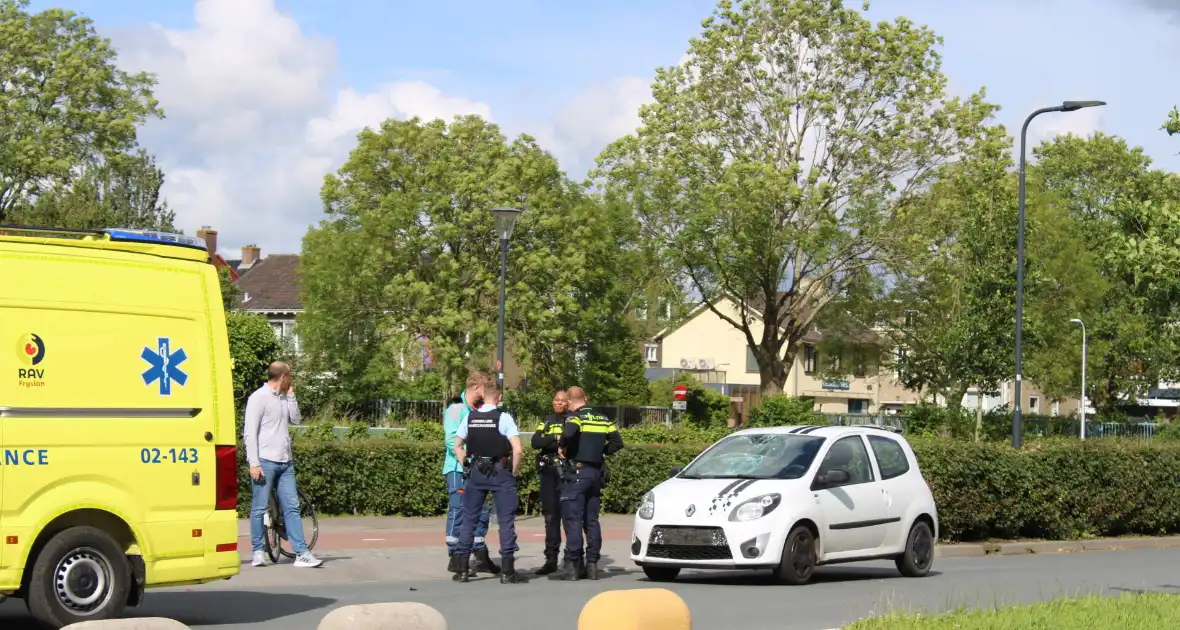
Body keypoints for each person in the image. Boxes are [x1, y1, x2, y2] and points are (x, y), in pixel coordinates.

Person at [244, 362, 323, 568]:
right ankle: (258, 551)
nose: (292, 380)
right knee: (259, 508)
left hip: (285, 462)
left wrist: (291, 396)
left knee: (292, 507)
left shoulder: (282, 398)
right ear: (283, 377)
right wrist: (254, 462)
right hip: (265, 461)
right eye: (290, 376)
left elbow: (296, 419)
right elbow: (250, 432)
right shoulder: (258, 398)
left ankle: (301, 553)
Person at [451, 382, 528, 584]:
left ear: (483, 396)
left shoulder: (470, 417)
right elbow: (518, 450)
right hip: (500, 472)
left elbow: (457, 445)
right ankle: (507, 572)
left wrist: (465, 463)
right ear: (499, 397)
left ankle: (462, 570)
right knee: (505, 520)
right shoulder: (504, 417)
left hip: (476, 471)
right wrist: (514, 470)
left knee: (469, 519)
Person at [550, 386, 624, 581]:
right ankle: (592, 564)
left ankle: (572, 567)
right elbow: (618, 443)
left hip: (577, 472)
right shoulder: (603, 419)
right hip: (595, 474)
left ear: (570, 401)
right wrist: (599, 452)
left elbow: (568, 433)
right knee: (591, 520)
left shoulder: (576, 417)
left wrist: (563, 447)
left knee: (573, 519)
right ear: (585, 398)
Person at [443, 371, 498, 576]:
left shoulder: (480, 410)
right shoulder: (456, 409)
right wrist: (466, 459)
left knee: (482, 510)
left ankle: (480, 555)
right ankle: (455, 557)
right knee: (458, 509)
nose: (487, 394)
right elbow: (451, 440)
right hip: (458, 468)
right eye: (485, 389)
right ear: (476, 388)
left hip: (477, 468)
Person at [530, 389, 570, 575]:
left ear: (568, 403)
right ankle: (551, 558)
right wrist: (555, 438)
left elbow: (571, 443)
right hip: (548, 472)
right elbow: (535, 442)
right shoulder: (546, 420)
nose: (559, 403)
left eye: (563, 400)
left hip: (566, 472)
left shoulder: (572, 420)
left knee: (570, 516)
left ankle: (572, 558)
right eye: (556, 400)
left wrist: (552, 442)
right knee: (550, 517)